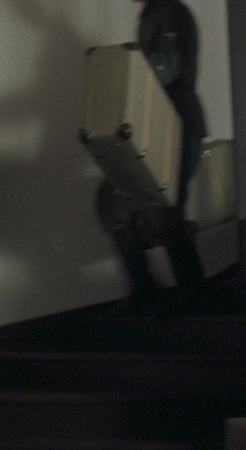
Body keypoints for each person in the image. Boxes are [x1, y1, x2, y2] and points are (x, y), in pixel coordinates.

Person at [97, 0, 207, 313]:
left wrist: (125, 68)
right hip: (156, 125)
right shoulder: (154, 13)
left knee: (165, 214)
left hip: (176, 126)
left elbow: (167, 65)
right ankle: (144, 290)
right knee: (112, 203)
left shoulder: (170, 10)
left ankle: (195, 297)